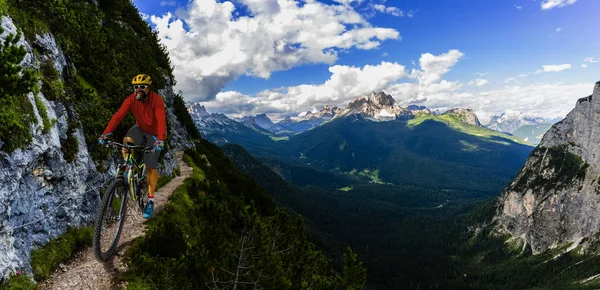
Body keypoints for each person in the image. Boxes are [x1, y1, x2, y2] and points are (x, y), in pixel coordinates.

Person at [98, 74, 166, 219]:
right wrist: (105, 134)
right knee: (127, 141)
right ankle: (131, 168)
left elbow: (161, 120)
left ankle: (151, 200)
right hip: (139, 128)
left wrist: (160, 140)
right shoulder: (131, 99)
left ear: (149, 88)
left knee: (150, 166)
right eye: (136, 87)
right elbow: (118, 116)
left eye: (142, 87)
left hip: (154, 134)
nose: (138, 90)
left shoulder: (156, 100)